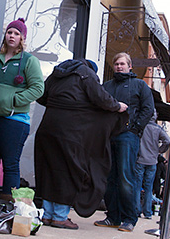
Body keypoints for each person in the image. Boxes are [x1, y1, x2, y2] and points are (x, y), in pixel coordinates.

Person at [34, 59, 127, 229]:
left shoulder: (57, 73)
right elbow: (101, 98)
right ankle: (60, 216)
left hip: (47, 127)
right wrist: (117, 106)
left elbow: (41, 96)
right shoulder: (86, 73)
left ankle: (47, 215)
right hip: (70, 131)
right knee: (68, 171)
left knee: (48, 170)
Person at [0, 19, 44, 202]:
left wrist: (14, 100)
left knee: (10, 164)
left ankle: (7, 207)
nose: (12, 36)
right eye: (9, 32)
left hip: (15, 120)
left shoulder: (29, 61)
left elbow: (38, 89)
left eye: (16, 34)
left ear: (22, 38)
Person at [95, 52, 155, 233]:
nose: (119, 67)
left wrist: (135, 128)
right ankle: (112, 217)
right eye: (116, 64)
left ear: (130, 66)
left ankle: (130, 218)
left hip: (128, 136)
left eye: (122, 64)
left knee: (126, 177)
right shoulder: (107, 86)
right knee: (109, 177)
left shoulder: (140, 85)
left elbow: (148, 109)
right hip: (108, 136)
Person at [134, 112, 170, 219]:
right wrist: (159, 151)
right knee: (149, 188)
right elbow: (167, 140)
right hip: (152, 160)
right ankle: (147, 212)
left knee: (137, 186)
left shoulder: (141, 126)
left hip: (140, 159)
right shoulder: (158, 129)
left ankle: (137, 210)